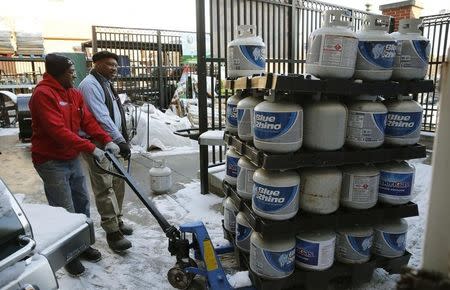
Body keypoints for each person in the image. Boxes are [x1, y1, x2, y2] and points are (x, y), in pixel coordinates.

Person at [29, 54, 120, 276]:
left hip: (70, 156)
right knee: (64, 210)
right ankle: (69, 255)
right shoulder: (42, 95)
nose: (74, 74)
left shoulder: (73, 93)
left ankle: (83, 245)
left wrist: (106, 139)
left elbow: (87, 120)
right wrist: (91, 148)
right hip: (50, 160)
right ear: (57, 73)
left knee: (81, 203)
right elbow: (58, 131)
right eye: (70, 71)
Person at [79, 51, 133, 252]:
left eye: (116, 65)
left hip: (113, 142)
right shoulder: (90, 85)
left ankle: (118, 221)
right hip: (100, 143)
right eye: (109, 64)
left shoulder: (106, 84)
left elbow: (115, 113)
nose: (114, 68)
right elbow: (101, 116)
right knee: (104, 186)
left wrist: (122, 139)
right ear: (97, 64)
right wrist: (118, 139)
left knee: (118, 182)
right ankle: (112, 232)